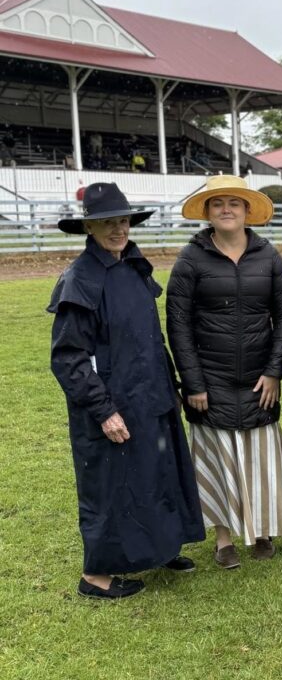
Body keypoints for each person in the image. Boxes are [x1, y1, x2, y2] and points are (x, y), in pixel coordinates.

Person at [49, 182, 205, 599]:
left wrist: (169, 384)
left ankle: (161, 548)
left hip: (150, 393)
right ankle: (96, 577)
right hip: (113, 401)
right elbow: (69, 358)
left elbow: (150, 335)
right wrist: (103, 410)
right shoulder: (79, 279)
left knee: (158, 473)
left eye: (122, 221)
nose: (118, 229)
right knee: (111, 484)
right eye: (106, 222)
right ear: (90, 227)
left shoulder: (134, 266)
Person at [167, 175, 282, 569]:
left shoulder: (269, 256)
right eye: (218, 203)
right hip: (210, 378)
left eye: (235, 203)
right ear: (207, 213)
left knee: (260, 456)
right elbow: (178, 324)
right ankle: (223, 537)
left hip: (261, 376)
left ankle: (262, 530)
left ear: (247, 212)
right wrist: (192, 382)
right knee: (219, 458)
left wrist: (276, 370)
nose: (227, 209)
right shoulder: (190, 259)